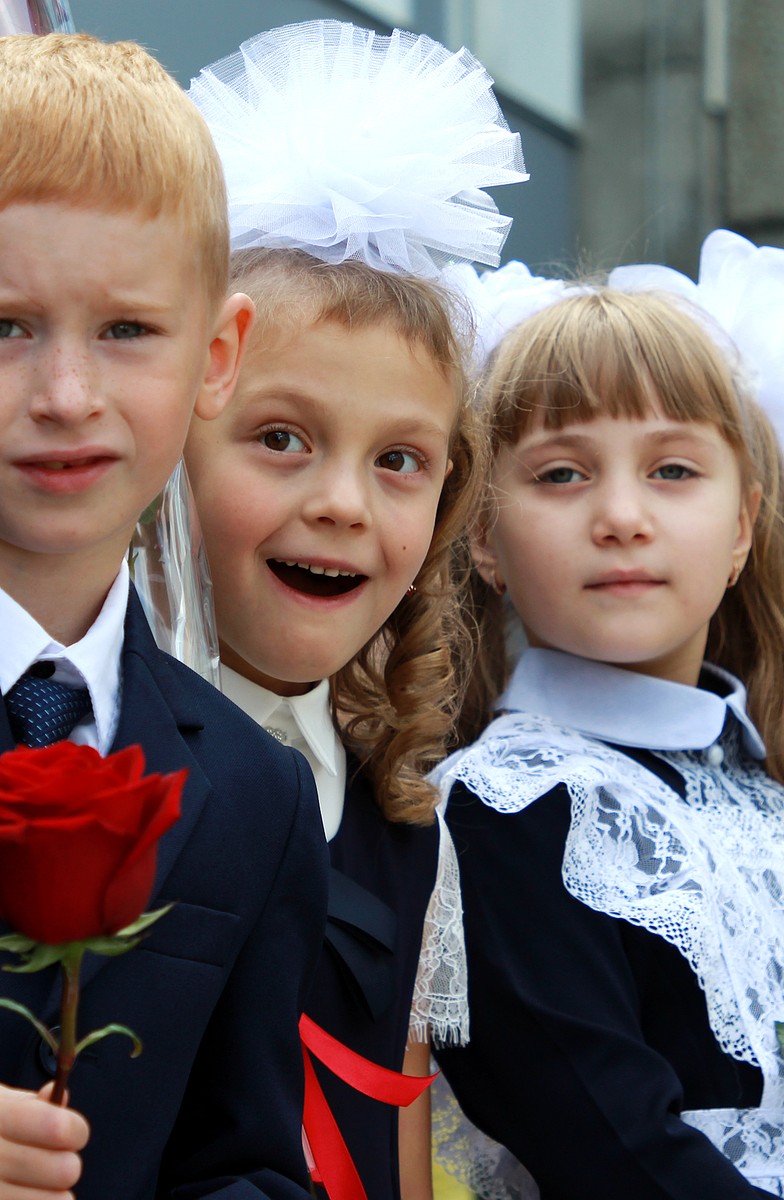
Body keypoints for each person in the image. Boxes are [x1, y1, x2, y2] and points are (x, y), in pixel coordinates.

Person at [0, 33, 327, 1200]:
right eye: (1, 327)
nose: (67, 396)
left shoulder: (258, 796)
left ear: (217, 360)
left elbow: (244, 1158)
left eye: (127, 331)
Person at [431, 237, 784, 1198]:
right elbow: (613, 1151)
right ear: (484, 535)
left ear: (744, 525)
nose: (622, 515)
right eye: (562, 475)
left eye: (672, 470)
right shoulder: (506, 812)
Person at [182, 21, 524, 1199]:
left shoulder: (410, 823)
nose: (339, 503)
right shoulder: (86, 747)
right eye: (281, 439)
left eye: (399, 462)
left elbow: (400, 1144)